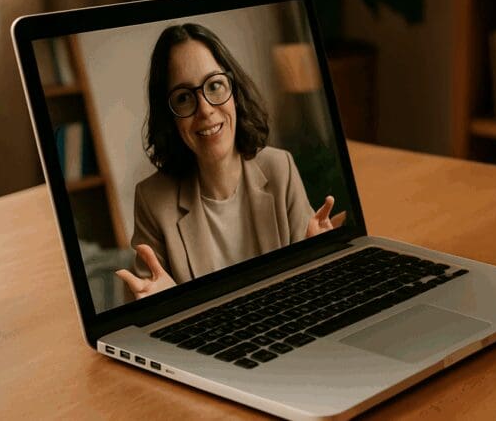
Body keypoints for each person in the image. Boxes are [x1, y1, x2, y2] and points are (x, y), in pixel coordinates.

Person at [115, 23, 344, 300]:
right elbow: (145, 303)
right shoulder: (153, 200)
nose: (205, 110)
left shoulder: (280, 168)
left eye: (214, 85)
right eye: (184, 98)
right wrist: (163, 305)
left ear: (234, 91)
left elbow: (310, 291)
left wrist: (321, 259)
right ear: (170, 116)